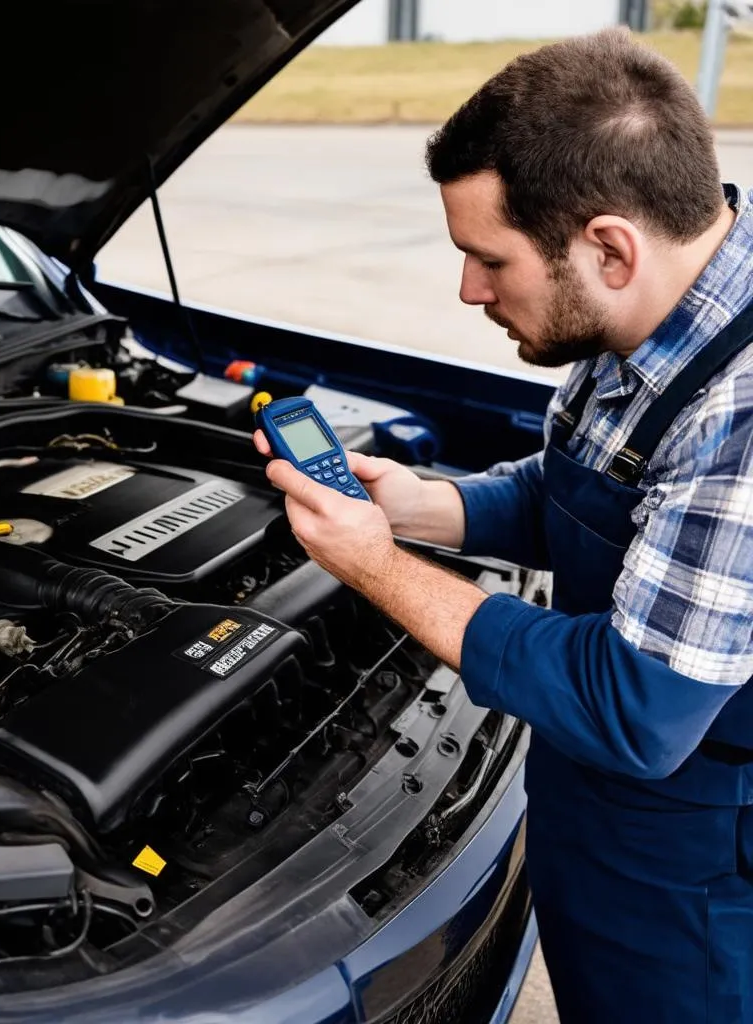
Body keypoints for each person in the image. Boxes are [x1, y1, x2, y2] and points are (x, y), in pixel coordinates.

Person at [253, 28, 753, 1024]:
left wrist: (378, 567)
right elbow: (579, 486)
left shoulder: (737, 415)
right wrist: (417, 505)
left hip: (689, 882)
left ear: (608, 245)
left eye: (489, 259)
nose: (469, 291)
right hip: (596, 818)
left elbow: (634, 707)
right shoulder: (652, 306)